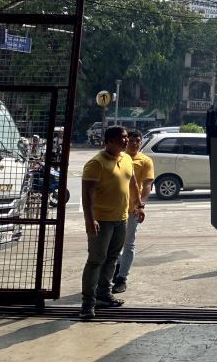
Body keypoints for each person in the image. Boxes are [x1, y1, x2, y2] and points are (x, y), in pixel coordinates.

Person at [80, 126, 145, 320]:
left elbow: (133, 183)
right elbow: (87, 195)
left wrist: (139, 205)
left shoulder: (126, 159)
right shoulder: (95, 163)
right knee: (95, 261)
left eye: (126, 137)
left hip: (121, 219)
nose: (126, 141)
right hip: (101, 221)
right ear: (109, 141)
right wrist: (90, 220)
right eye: (121, 138)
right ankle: (87, 304)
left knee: (112, 258)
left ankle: (103, 295)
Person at [112, 129, 154, 293]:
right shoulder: (118, 158)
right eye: (131, 140)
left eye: (138, 141)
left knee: (129, 243)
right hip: (115, 208)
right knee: (114, 244)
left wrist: (141, 205)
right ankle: (115, 269)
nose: (135, 144)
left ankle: (122, 277)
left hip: (132, 209)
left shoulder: (145, 161)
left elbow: (147, 185)